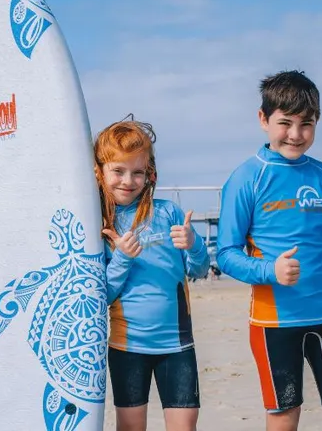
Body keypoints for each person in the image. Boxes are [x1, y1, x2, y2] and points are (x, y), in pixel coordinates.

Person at [216, 70, 322, 431]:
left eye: (306, 124)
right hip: (274, 321)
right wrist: (269, 272)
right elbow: (227, 253)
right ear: (263, 120)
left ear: (316, 123)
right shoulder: (247, 179)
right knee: (283, 419)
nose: (295, 134)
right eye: (285, 123)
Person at [95, 118, 210, 431]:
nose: (127, 180)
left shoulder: (169, 213)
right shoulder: (101, 225)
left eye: (137, 172)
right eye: (118, 171)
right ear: (100, 172)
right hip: (126, 348)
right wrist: (122, 258)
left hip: (178, 346)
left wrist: (194, 244)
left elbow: (198, 270)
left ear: (150, 174)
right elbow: (102, 295)